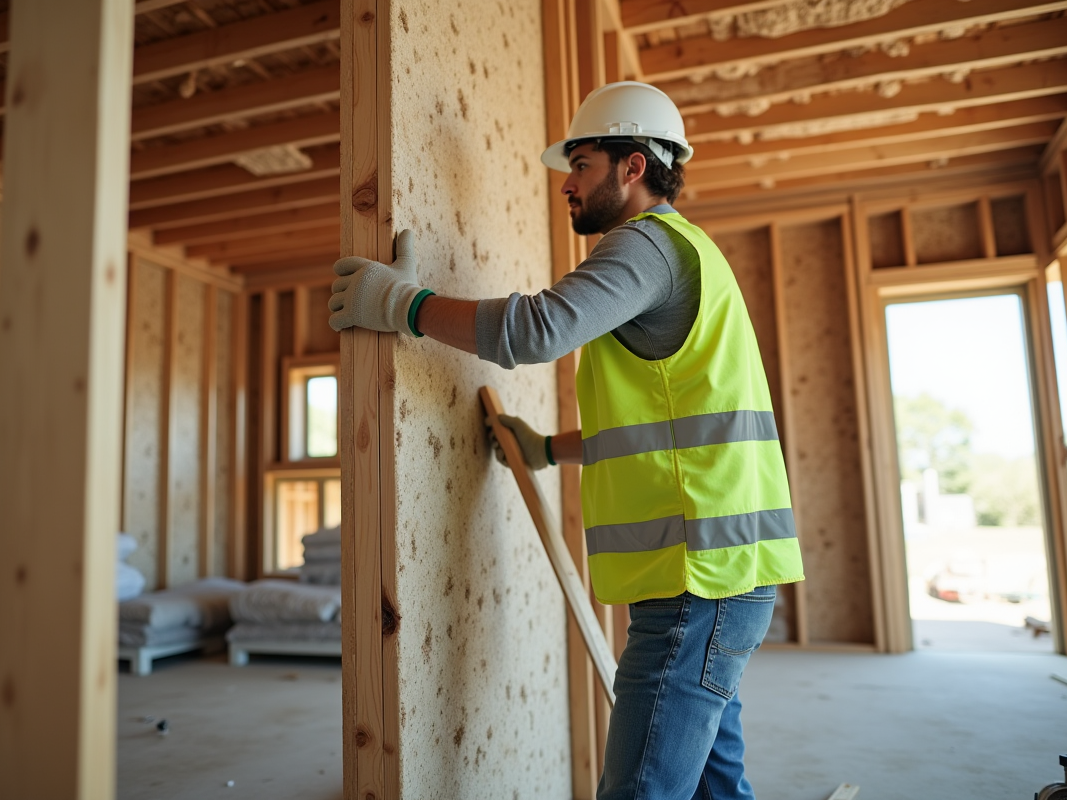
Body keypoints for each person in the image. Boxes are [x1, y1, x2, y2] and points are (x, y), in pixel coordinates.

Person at [328, 81, 804, 800]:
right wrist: (549, 449)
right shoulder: (688, 252)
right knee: (712, 788)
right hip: (719, 575)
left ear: (633, 166)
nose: (567, 186)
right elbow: (668, 429)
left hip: (695, 583)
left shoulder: (647, 246)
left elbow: (535, 330)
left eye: (580, 164)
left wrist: (401, 305)